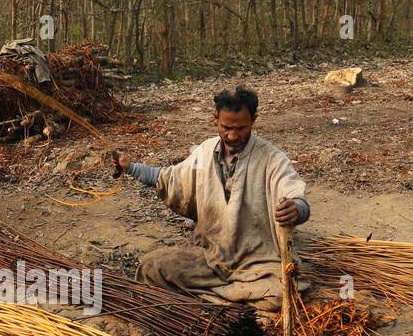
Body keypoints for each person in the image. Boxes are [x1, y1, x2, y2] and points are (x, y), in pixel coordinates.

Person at [112, 85, 311, 311]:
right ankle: (230, 300)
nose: (233, 136)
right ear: (215, 118)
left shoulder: (273, 159)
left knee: (282, 293)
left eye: (241, 128)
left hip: (257, 263)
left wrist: (296, 209)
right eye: (226, 127)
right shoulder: (205, 151)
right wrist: (131, 167)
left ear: (254, 120)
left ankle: (208, 300)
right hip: (209, 256)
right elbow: (171, 178)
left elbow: (295, 194)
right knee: (151, 267)